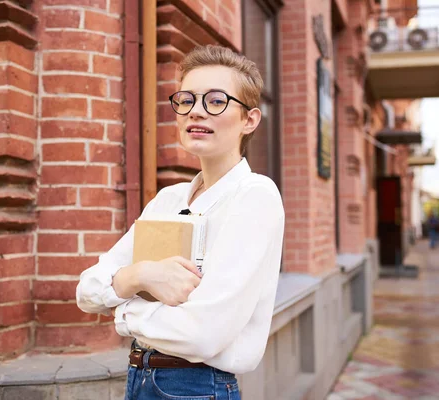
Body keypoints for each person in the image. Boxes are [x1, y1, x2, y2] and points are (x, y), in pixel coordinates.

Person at [76, 45, 285, 400]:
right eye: (186, 100)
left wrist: (123, 309)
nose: (196, 112)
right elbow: (87, 290)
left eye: (216, 101)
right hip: (139, 377)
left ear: (249, 120)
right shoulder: (167, 199)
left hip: (196, 386)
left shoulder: (255, 196)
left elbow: (203, 333)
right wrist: (140, 276)